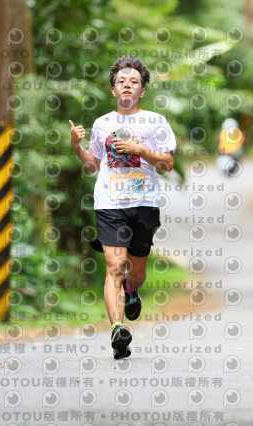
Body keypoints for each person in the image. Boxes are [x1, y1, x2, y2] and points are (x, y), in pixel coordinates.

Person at [68, 56, 177, 359]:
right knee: (115, 266)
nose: (127, 85)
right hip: (109, 203)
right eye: (121, 81)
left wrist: (139, 149)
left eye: (134, 82)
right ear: (113, 89)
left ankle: (131, 290)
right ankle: (118, 330)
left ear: (142, 91)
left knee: (136, 273)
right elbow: (92, 165)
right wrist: (76, 145)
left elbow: (167, 164)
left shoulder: (156, 122)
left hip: (144, 204)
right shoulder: (102, 124)